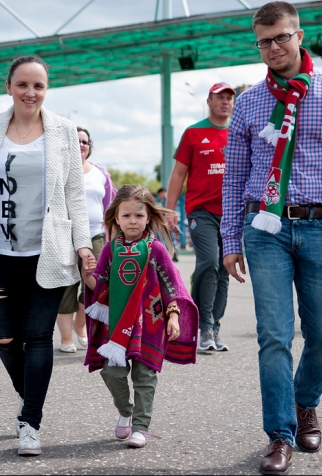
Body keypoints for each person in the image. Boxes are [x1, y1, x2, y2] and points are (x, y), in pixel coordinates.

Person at [220, 2, 322, 473]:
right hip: (264, 229)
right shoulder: (247, 102)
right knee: (273, 336)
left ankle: (306, 402)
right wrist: (230, 240)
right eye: (264, 41)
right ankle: (281, 433)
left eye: (281, 37)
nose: (273, 48)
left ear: (299, 35)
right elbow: (233, 179)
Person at [0, 55, 94, 456]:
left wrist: (82, 245)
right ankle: (30, 397)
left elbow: (74, 195)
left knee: (39, 337)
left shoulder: (61, 131)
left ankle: (30, 421)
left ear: (47, 90)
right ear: (8, 86)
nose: (31, 92)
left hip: (48, 250)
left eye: (38, 86)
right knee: (7, 338)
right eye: (23, 84)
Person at [82, 184, 198, 449]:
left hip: (151, 324)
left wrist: (173, 315)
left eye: (139, 215)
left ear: (148, 218)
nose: (132, 221)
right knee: (112, 372)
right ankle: (126, 411)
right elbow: (98, 285)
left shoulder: (156, 249)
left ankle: (141, 427)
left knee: (145, 377)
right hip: (116, 326)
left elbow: (172, 285)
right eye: (126, 216)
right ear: (115, 218)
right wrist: (87, 272)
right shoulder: (111, 249)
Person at [165, 82, 235, 352]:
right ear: (209, 101)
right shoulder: (194, 133)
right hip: (201, 212)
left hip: (232, 213)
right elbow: (178, 174)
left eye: (230, 97)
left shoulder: (239, 132)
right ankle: (202, 324)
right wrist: (170, 210)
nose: (225, 102)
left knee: (225, 268)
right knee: (209, 262)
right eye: (220, 97)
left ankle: (214, 326)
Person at [55, 127, 116, 353]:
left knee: (96, 282)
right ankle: (66, 338)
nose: (81, 145)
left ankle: (80, 325)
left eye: (85, 142)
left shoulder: (100, 173)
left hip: (95, 234)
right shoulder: (59, 171)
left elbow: (111, 205)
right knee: (67, 285)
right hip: (65, 235)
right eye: (76, 141)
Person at [155, 187, 179, 262]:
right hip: (165, 223)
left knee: (169, 239)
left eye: (160, 194)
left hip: (167, 223)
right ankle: (173, 253)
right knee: (171, 239)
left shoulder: (167, 202)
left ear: (163, 192)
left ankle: (173, 253)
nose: (159, 196)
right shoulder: (163, 201)